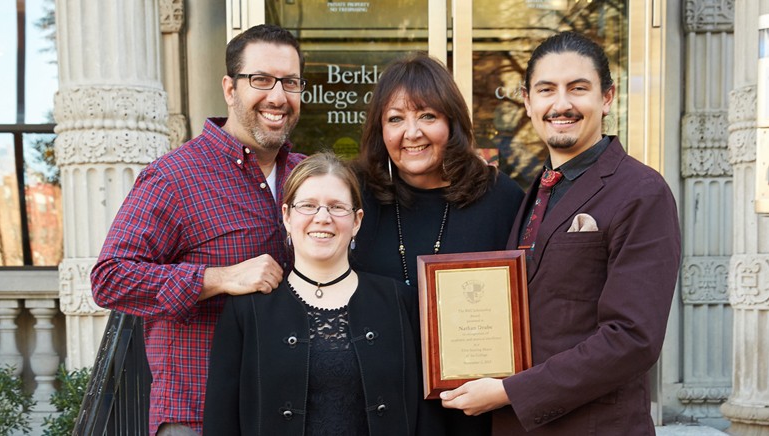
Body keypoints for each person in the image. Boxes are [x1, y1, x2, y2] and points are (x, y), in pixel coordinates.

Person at [439, 31, 682, 435]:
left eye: (578, 88)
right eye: (547, 90)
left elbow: (633, 338)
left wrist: (511, 391)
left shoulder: (641, 191)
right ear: (528, 100)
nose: (561, 104)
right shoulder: (539, 188)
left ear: (607, 97)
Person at [90, 24, 306, 435]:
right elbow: (109, 278)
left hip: (290, 410)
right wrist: (219, 278)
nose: (278, 96)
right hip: (198, 414)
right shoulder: (174, 176)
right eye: (260, 80)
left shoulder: (306, 175)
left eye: (291, 82)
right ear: (230, 88)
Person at [351, 53, 525, 435]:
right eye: (395, 119)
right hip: (372, 405)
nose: (411, 133)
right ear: (380, 130)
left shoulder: (501, 198)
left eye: (427, 116)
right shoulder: (355, 195)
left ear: (452, 123)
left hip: (470, 411)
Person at [203, 152, 437, 435]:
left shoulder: (399, 302)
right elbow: (221, 421)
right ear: (287, 217)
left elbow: (427, 418)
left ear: (357, 221)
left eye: (337, 207)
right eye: (308, 206)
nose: (322, 218)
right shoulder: (247, 310)